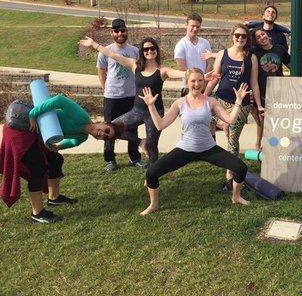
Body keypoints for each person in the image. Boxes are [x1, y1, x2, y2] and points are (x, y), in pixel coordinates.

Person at [138, 69, 251, 216]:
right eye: (193, 81)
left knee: (240, 167)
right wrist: (150, 106)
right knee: (152, 173)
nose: (196, 84)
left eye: (200, 81)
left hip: (208, 148)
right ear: (187, 82)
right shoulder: (179, 103)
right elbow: (160, 125)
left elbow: (230, 120)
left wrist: (239, 101)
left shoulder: (211, 102)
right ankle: (154, 204)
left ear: (204, 83)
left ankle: (236, 196)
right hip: (185, 149)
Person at [79, 36, 200, 167]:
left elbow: (182, 74)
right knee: (112, 128)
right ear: (142, 52)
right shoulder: (135, 65)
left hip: (155, 113)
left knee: (152, 147)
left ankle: (152, 175)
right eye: (146, 49)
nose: (149, 51)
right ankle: (140, 142)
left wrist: (199, 75)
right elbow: (112, 54)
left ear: (157, 50)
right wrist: (94, 44)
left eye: (152, 48)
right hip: (137, 111)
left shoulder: (162, 71)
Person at [0, 95, 124, 223]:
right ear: (103, 123)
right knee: (38, 167)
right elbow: (60, 100)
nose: (102, 134)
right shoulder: (81, 117)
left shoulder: (83, 136)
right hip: (20, 128)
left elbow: (72, 142)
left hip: (33, 132)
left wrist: (57, 147)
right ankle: (37, 214)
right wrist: (33, 114)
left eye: (105, 137)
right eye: (106, 130)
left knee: (55, 159)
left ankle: (54, 198)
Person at [204, 25, 262, 190]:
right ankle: (223, 126)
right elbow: (215, 78)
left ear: (247, 39)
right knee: (220, 126)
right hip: (221, 101)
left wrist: (258, 105)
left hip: (241, 104)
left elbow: (254, 83)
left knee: (233, 141)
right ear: (232, 36)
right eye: (237, 35)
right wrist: (204, 96)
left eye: (243, 36)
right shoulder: (222, 54)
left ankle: (231, 177)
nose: (240, 38)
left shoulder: (251, 58)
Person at [96, 18, 142, 172]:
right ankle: (110, 160)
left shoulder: (134, 51)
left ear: (126, 31)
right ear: (112, 33)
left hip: (130, 96)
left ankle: (135, 157)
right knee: (108, 129)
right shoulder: (105, 51)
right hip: (112, 97)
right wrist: (105, 89)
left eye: (123, 30)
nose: (120, 33)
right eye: (116, 31)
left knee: (132, 128)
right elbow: (101, 72)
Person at [249, 27, 291, 150]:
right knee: (262, 120)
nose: (262, 38)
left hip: (279, 90)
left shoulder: (279, 49)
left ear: (266, 34)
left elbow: (291, 65)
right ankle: (258, 143)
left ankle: (275, 144)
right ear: (256, 41)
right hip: (263, 91)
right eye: (258, 37)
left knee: (277, 120)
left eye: (262, 34)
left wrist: (300, 56)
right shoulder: (255, 52)